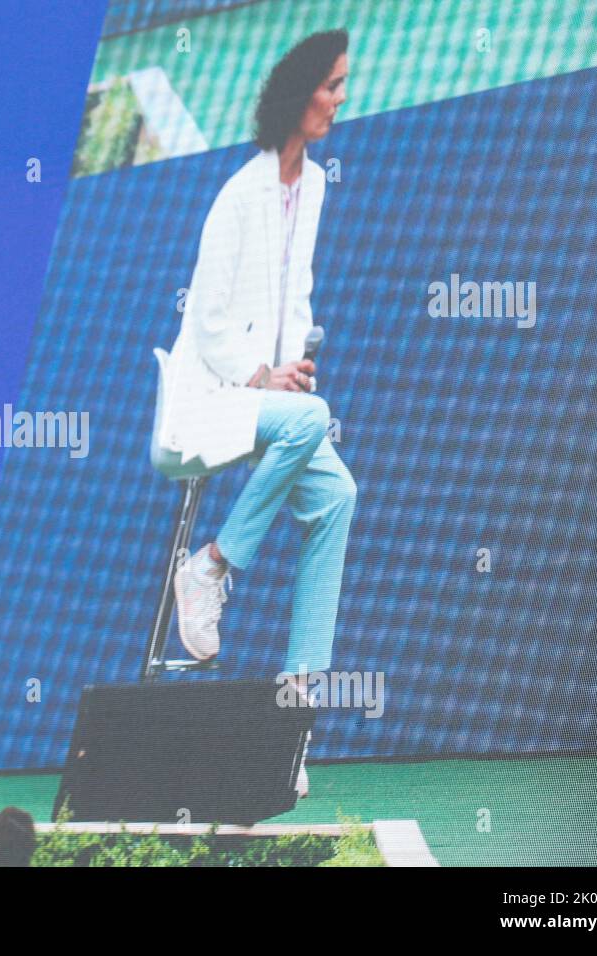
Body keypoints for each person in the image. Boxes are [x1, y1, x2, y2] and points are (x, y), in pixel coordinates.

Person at [162, 30, 355, 797]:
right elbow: (207, 320)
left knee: (339, 497)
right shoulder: (239, 193)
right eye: (332, 85)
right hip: (210, 395)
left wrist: (292, 370)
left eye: (344, 85)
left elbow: (296, 292)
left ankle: (292, 719)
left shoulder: (313, 185)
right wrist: (258, 376)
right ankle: (210, 567)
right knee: (311, 423)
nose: (341, 99)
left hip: (272, 399)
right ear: (298, 92)